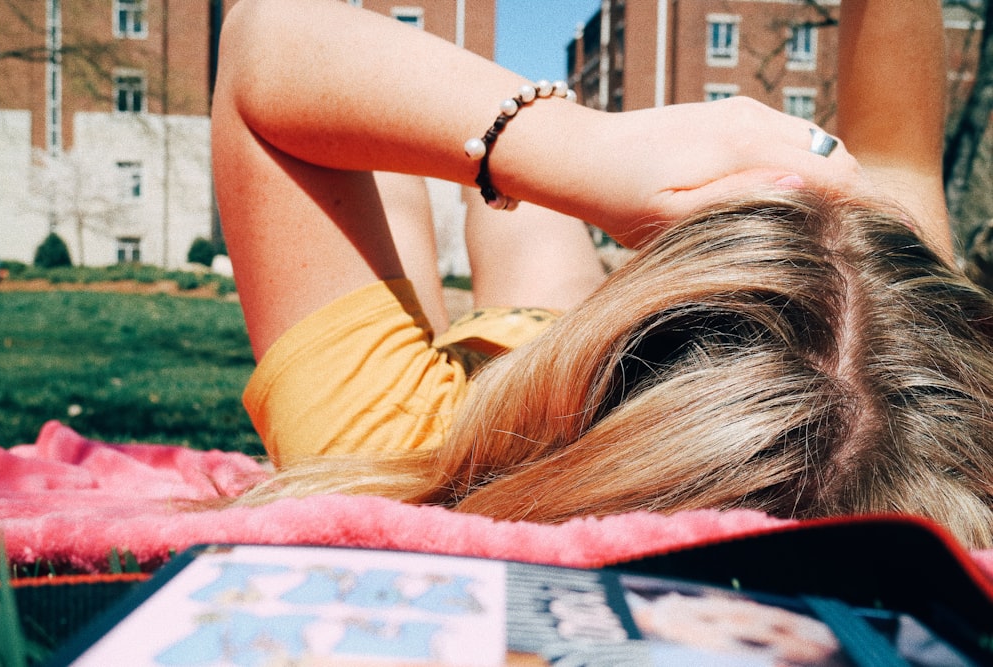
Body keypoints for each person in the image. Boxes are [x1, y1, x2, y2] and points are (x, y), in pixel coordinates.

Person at [211, 0, 993, 548]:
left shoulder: (387, 459)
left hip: (499, 399)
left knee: (395, 178)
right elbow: (893, 157)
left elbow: (266, 38)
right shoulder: (929, 415)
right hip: (558, 354)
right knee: (517, 222)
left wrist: (583, 149)